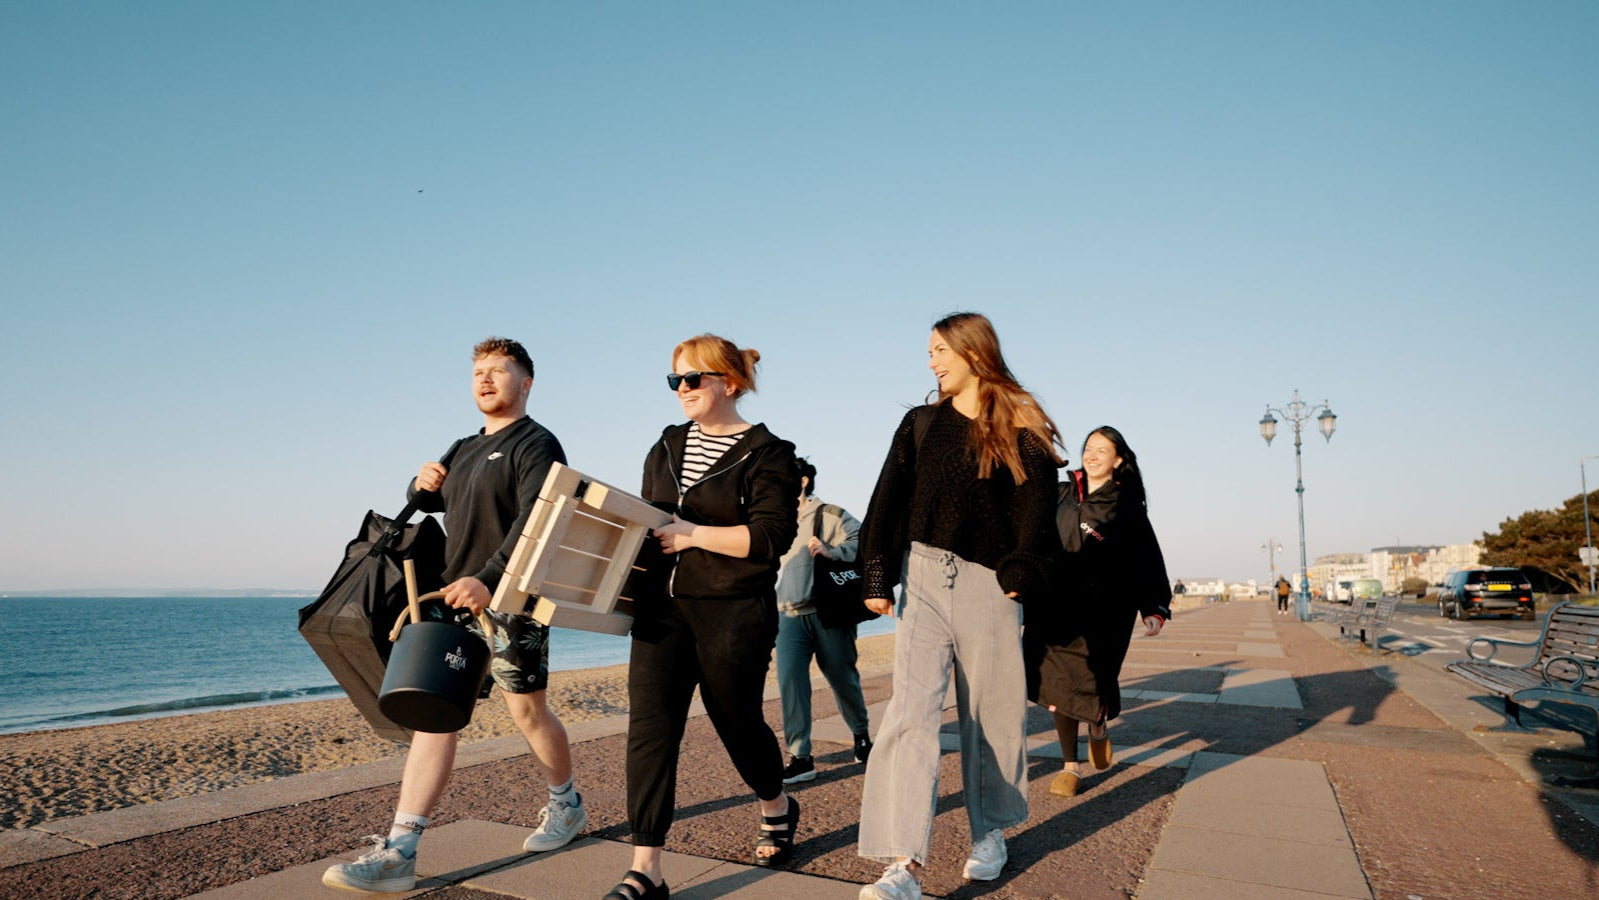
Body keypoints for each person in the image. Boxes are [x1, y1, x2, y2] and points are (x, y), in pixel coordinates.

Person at [323, 338, 585, 894]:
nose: (485, 381)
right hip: (451, 599)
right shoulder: (464, 445)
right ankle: (400, 851)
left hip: (509, 599)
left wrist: (487, 579)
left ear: (526, 383)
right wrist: (418, 486)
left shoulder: (537, 443)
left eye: (499, 372)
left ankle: (566, 806)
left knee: (528, 715)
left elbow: (535, 521)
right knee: (433, 716)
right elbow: (430, 503)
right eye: (478, 374)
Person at [855, 312, 1065, 900]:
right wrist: (876, 571)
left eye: (940, 349)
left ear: (975, 352)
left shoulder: (1020, 425)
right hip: (922, 574)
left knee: (991, 716)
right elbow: (886, 501)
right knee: (909, 713)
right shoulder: (920, 423)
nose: (932, 362)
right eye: (929, 352)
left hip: (991, 585)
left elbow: (1036, 506)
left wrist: (1022, 568)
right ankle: (904, 864)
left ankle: (990, 833)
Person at [609, 334, 802, 900]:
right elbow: (649, 520)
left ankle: (776, 803)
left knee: (736, 721)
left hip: (733, 612)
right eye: (676, 380)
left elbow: (771, 537)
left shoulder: (770, 453)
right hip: (660, 612)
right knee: (650, 729)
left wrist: (693, 535)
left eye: (693, 379)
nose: (682, 390)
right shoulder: (666, 444)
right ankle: (646, 868)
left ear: (730, 383)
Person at [1023, 426, 1172, 799]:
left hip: (1106, 609)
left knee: (1092, 679)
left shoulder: (1127, 506)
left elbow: (1146, 557)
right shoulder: (1058, 493)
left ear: (1118, 460)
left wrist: (1153, 605)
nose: (1091, 455)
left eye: (1101, 450)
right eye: (1088, 448)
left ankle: (1098, 724)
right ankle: (1070, 765)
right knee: (1055, 681)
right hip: (1054, 604)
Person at [775, 458, 872, 785]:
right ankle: (801, 757)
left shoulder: (828, 513)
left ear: (802, 481)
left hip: (828, 611)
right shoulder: (775, 519)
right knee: (790, 680)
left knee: (842, 677)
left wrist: (834, 551)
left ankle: (861, 735)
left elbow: (863, 539)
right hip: (788, 614)